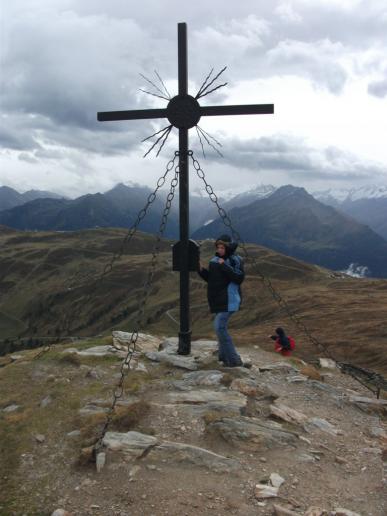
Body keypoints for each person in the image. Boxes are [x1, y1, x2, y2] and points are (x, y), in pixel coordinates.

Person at [198, 234, 245, 367]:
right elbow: (211, 279)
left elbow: (239, 278)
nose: (219, 250)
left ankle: (234, 360)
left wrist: (224, 265)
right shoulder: (215, 260)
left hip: (230, 299)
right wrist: (201, 270)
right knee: (220, 328)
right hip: (219, 300)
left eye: (222, 247)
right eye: (218, 247)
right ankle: (224, 357)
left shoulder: (236, 260)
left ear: (228, 248)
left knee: (219, 327)